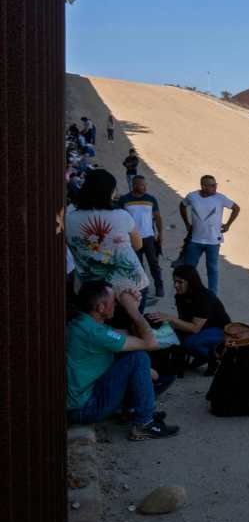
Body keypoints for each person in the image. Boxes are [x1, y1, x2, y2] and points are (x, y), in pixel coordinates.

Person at [66, 281, 179, 440]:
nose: (117, 305)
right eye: (114, 301)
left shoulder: (84, 323)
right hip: (85, 408)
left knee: (134, 358)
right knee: (138, 357)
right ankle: (144, 423)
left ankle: (135, 409)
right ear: (101, 308)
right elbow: (150, 343)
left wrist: (133, 306)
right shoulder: (95, 333)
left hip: (84, 397)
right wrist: (133, 310)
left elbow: (130, 335)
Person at [66, 168, 151, 311]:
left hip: (93, 291)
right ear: (108, 192)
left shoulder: (68, 219)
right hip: (131, 287)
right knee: (131, 323)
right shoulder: (121, 215)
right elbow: (138, 245)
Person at [148, 264, 231, 371]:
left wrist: (170, 319)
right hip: (202, 328)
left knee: (190, 343)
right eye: (175, 281)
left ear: (191, 282)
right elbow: (183, 321)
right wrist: (161, 322)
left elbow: (194, 328)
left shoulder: (204, 297)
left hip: (220, 330)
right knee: (168, 336)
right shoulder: (180, 296)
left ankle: (214, 357)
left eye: (180, 282)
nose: (176, 285)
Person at [178, 175, 240, 296]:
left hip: (213, 241)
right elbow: (182, 205)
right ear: (203, 186)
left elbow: (236, 208)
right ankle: (188, 292)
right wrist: (186, 223)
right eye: (212, 185)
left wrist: (228, 225)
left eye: (215, 184)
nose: (215, 187)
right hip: (195, 240)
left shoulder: (220, 198)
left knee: (212, 269)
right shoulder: (192, 196)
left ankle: (212, 295)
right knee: (189, 268)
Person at [117, 175, 165, 298]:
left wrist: (160, 234)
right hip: (132, 238)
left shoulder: (151, 199)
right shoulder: (124, 200)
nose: (145, 187)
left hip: (149, 237)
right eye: (142, 185)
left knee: (154, 263)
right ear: (134, 185)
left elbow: (158, 217)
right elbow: (119, 219)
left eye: (145, 185)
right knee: (137, 265)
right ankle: (143, 288)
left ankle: (159, 286)